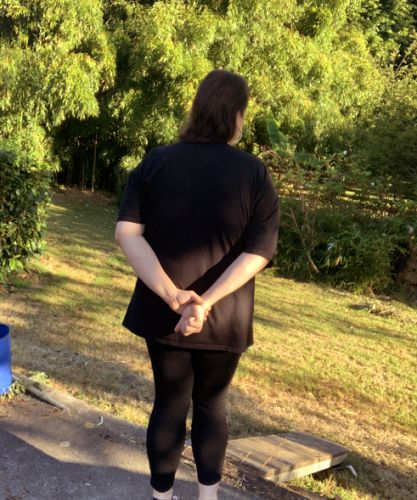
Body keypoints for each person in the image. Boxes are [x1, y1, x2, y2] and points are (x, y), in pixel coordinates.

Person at [115, 69, 280, 500]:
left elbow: (127, 233)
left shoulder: (157, 161)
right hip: (224, 317)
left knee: (169, 404)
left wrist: (174, 296)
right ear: (236, 115)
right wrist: (205, 302)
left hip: (163, 311)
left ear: (198, 109)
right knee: (212, 405)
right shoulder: (254, 173)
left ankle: (161, 497)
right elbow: (259, 251)